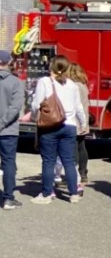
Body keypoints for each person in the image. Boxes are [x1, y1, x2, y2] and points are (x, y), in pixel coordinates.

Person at [30, 55, 86, 204]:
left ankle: (47, 194)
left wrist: (34, 117)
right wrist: (83, 123)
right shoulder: (72, 84)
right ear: (67, 68)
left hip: (50, 126)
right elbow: (79, 107)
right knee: (69, 161)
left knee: (48, 161)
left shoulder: (45, 82)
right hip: (70, 126)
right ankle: (74, 193)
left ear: (51, 67)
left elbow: (36, 104)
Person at [0, 49, 24, 210]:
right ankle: (8, 198)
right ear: (9, 62)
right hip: (8, 130)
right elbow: (15, 108)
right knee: (8, 163)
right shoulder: (15, 82)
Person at [66, 62, 90, 190]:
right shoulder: (83, 85)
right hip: (83, 120)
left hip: (75, 120)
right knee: (82, 146)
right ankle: (83, 172)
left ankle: (75, 174)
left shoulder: (73, 86)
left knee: (74, 147)